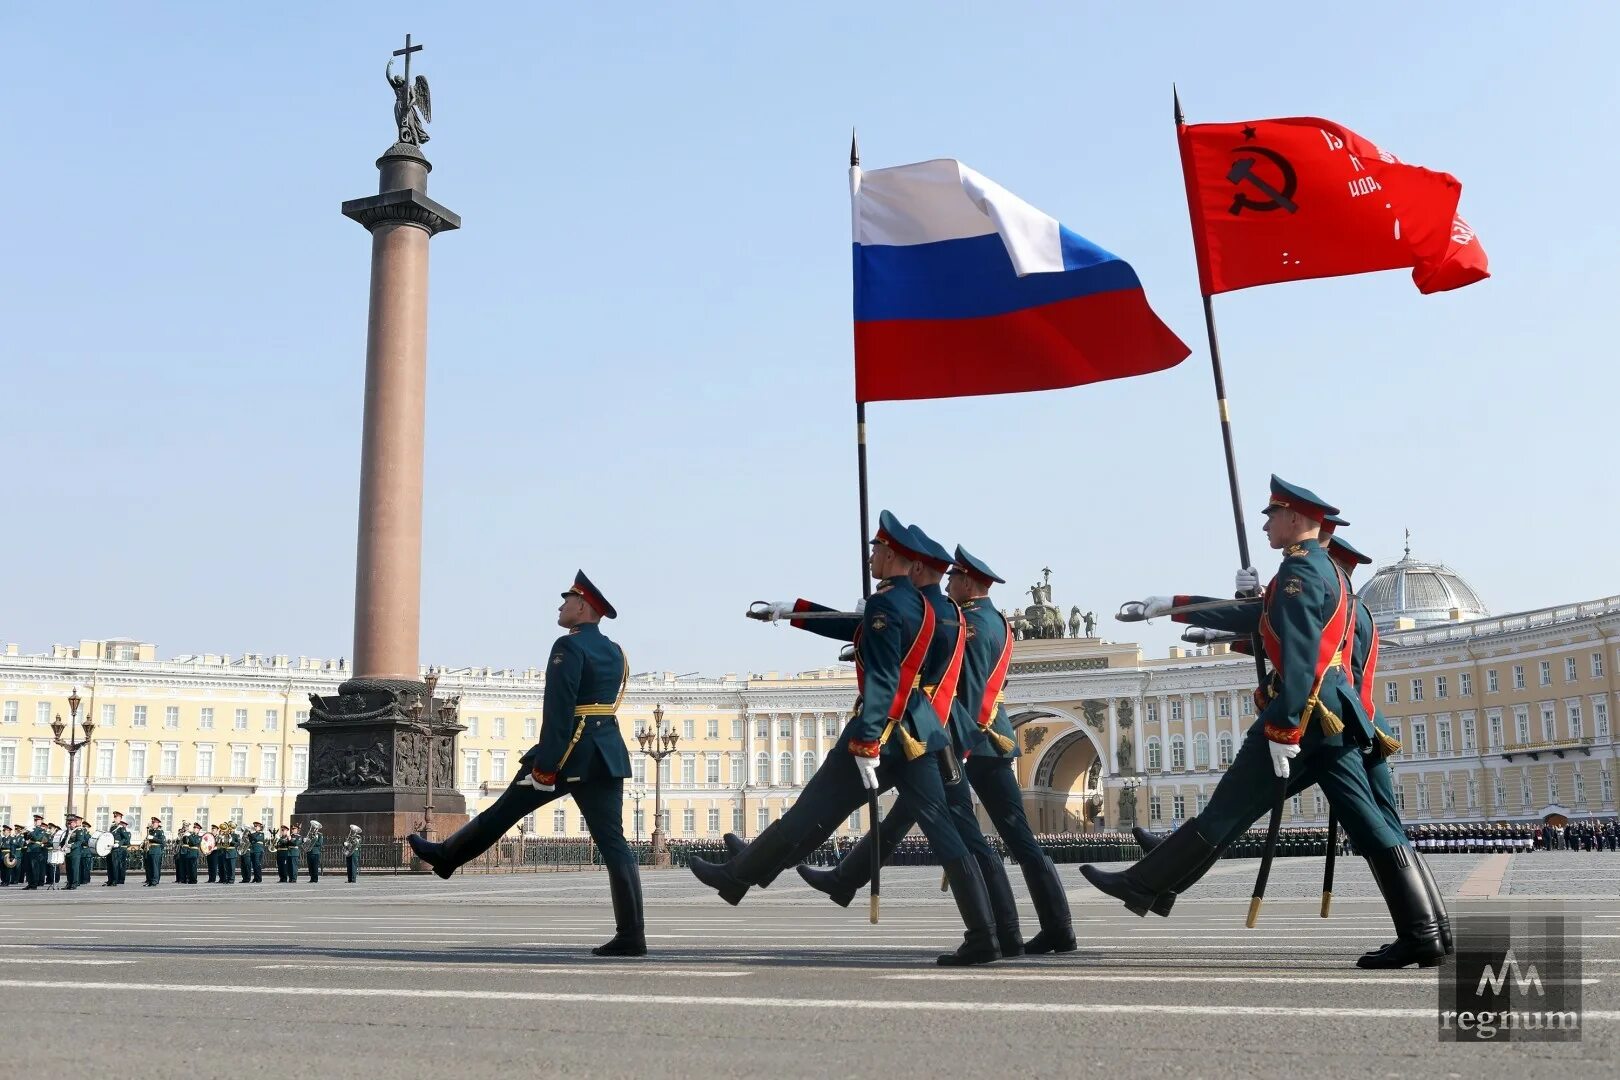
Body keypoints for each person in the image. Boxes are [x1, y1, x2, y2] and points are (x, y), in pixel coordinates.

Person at [1082, 477, 1444, 969]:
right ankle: (1428, 931)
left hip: (1309, 713)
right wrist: (1181, 605)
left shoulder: (1299, 573)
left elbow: (1300, 657)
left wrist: (1284, 726)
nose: (1267, 523)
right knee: (1368, 823)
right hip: (1332, 717)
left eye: (1272, 514)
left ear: (1296, 519)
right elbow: (1268, 619)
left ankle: (1145, 883)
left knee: (1228, 810)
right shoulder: (1316, 574)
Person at [690, 512, 1002, 966]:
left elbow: (880, 678)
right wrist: (794, 612)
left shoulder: (889, 607)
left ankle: (736, 877)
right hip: (921, 731)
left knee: (807, 815)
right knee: (944, 832)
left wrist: (867, 741)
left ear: (896, 556)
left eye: (876, 550)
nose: (871, 556)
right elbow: (860, 632)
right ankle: (984, 934)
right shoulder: (926, 609)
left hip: (882, 729)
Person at [794, 537, 1075, 956]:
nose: (948, 584)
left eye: (955, 577)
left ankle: (1015, 931)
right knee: (931, 824)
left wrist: (956, 748)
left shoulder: (973, 625)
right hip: (974, 741)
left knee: (979, 840)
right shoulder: (993, 620)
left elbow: (973, 694)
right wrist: (801, 614)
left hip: (967, 742)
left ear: (969, 582)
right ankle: (847, 879)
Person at [410, 571, 645, 957]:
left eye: (567, 599)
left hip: (566, 752)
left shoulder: (567, 648)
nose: (560, 605)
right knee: (615, 844)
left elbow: (559, 709)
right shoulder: (617, 652)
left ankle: (445, 856)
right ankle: (632, 934)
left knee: (503, 811)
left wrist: (546, 767)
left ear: (583, 606)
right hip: (605, 754)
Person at [106, 811, 132, 886]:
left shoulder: (121, 828)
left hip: (116, 849)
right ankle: (110, 880)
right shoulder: (112, 827)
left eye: (117, 817)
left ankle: (115, 880)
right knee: (110, 865)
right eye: (115, 817)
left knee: (115, 865)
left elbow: (126, 838)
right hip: (110, 848)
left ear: (120, 818)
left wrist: (119, 844)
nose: (115, 819)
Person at [23, 814, 48, 890]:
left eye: (37, 820)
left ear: (41, 821)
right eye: (35, 820)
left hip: (36, 850)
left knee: (34, 868)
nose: (36, 821)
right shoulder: (32, 829)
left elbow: (37, 838)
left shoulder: (42, 830)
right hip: (29, 850)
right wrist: (25, 833)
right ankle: (30, 883)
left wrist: (30, 832)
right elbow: (26, 839)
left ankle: (34, 884)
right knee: (28, 868)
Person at [143, 817, 165, 886]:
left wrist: (153, 838)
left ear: (158, 824)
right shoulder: (151, 831)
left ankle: (154, 881)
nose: (153, 824)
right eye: (152, 823)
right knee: (150, 867)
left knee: (155, 866)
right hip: (150, 850)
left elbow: (162, 842)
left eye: (154, 823)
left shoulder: (160, 832)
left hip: (156, 851)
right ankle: (149, 881)